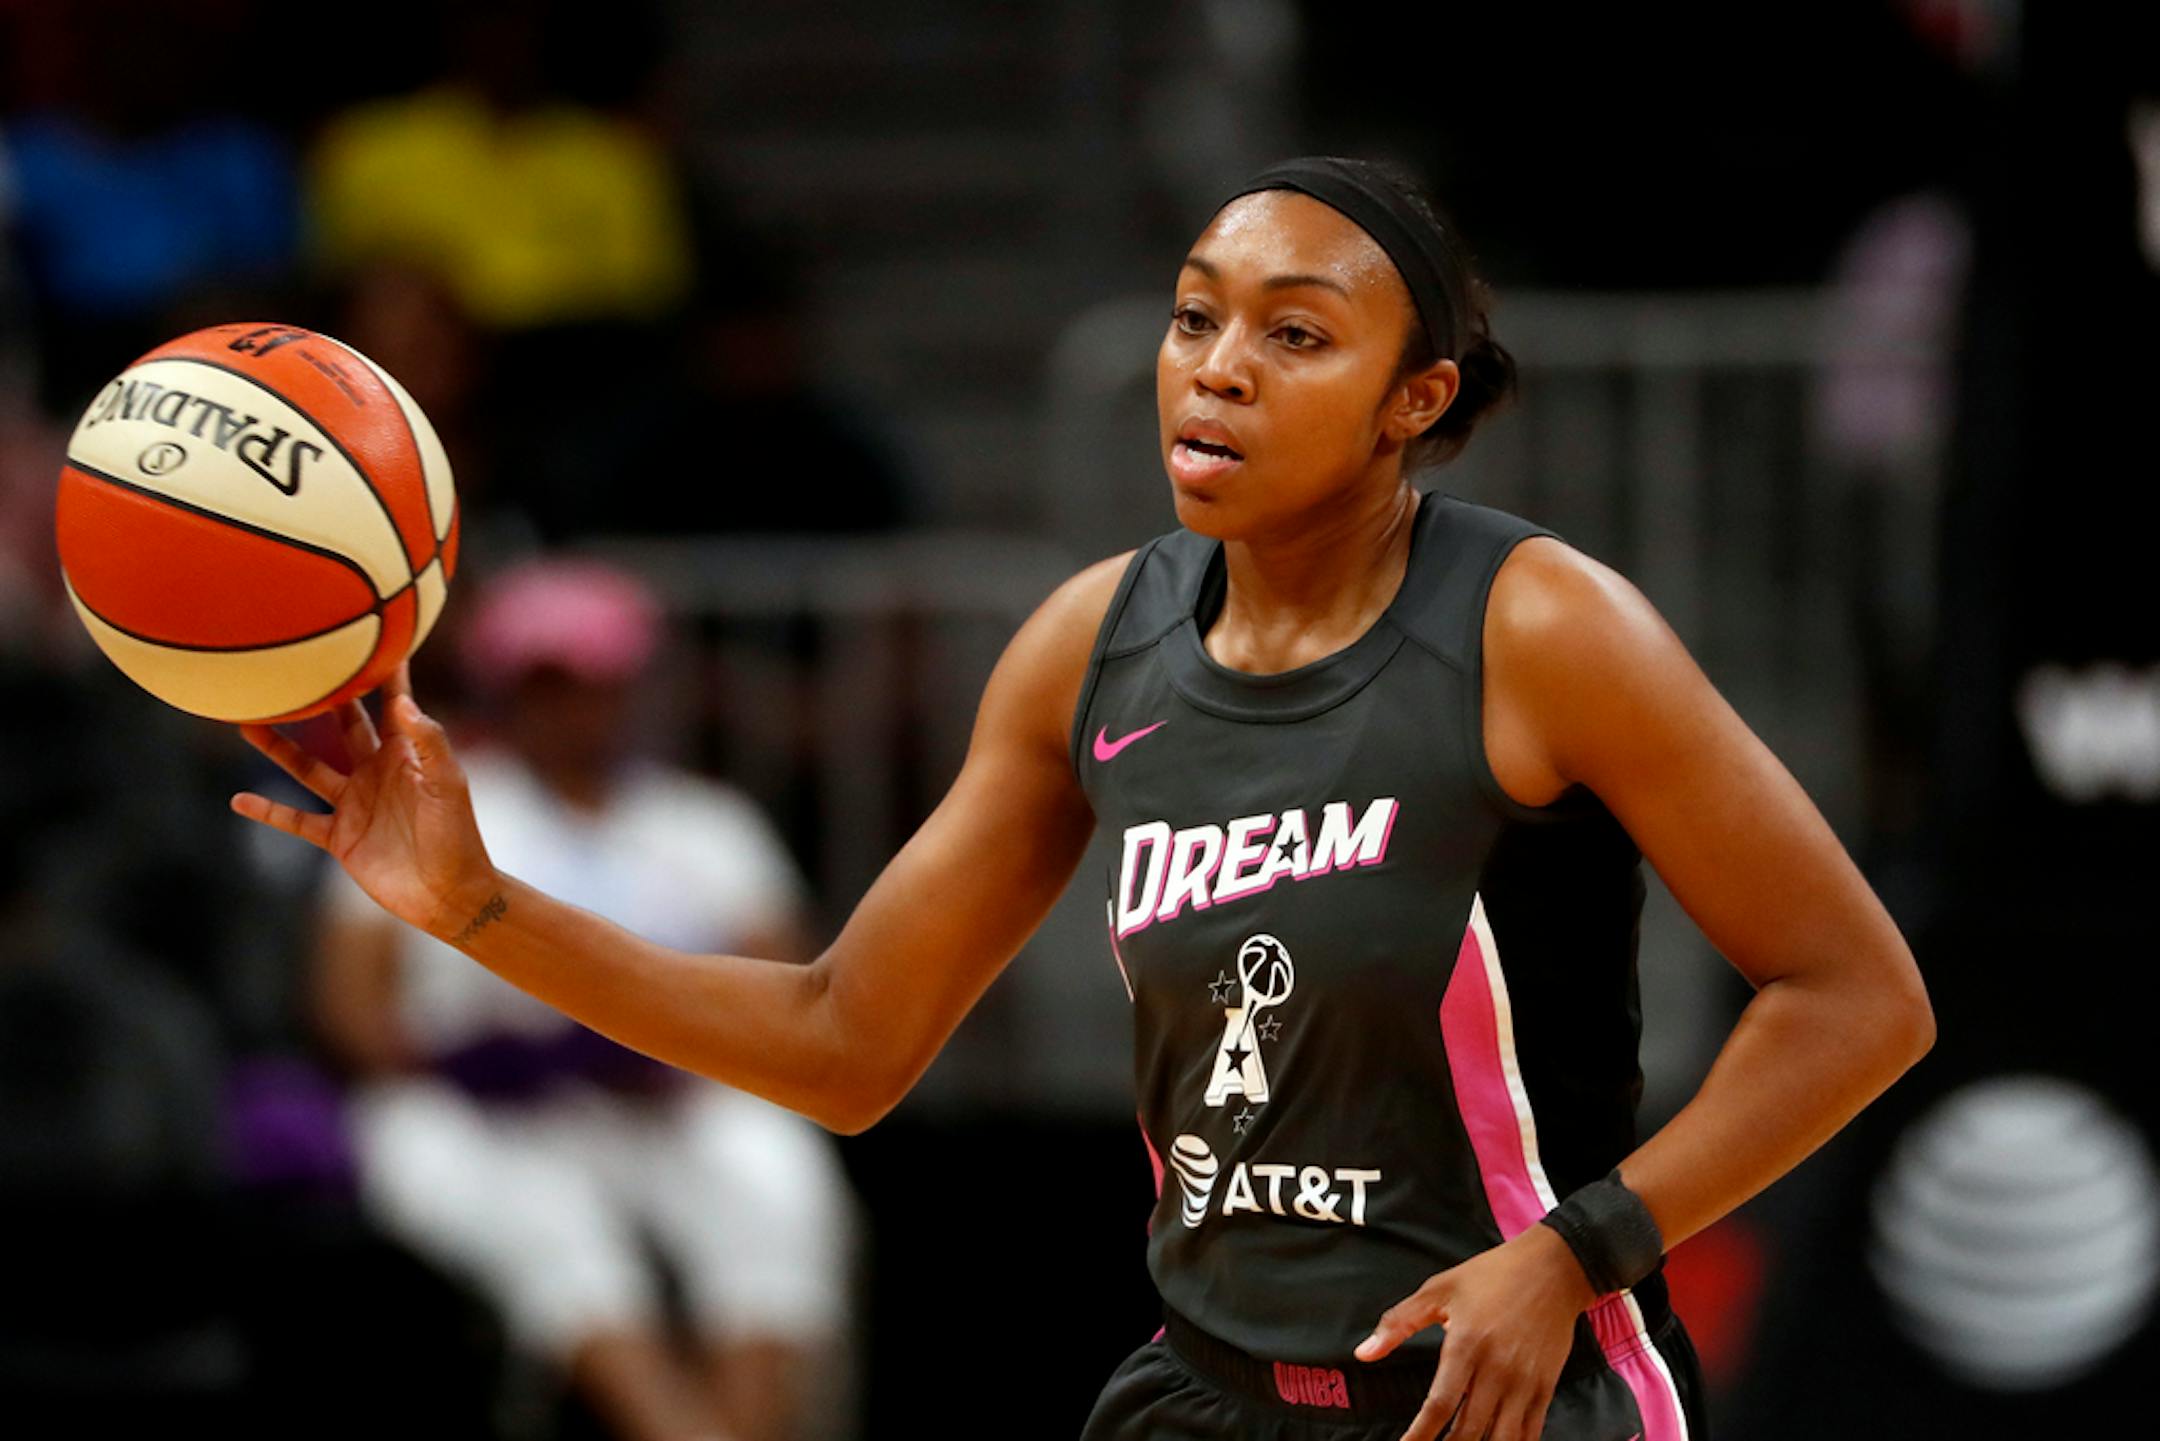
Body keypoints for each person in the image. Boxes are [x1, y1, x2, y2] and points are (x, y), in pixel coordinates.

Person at [232, 157, 1935, 1441]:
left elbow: (1859, 995)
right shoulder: (1087, 648)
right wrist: (475, 910)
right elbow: (841, 1040)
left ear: (1417, 403)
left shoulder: (1540, 628)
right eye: (1197, 316)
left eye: (1296, 335)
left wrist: (1578, 1252)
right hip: (1193, 1389)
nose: (1217, 367)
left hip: (1494, 1393)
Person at [308, 560, 854, 1441]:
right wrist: (470, 1057)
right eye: (549, 686)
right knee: (553, 1229)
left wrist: (669, 1043)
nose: (575, 710)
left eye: (596, 686)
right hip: (480, 1110)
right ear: (506, 690)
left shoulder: (705, 823)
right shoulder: (432, 810)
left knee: (773, 1176)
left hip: (674, 1101)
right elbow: (349, 1007)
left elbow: (794, 987)